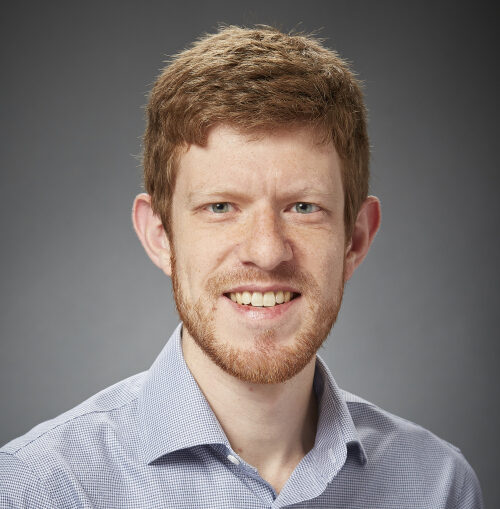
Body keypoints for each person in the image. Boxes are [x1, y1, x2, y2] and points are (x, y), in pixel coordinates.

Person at [0, 25, 483, 508]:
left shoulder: (439, 486)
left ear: (355, 239)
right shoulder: (38, 489)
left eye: (303, 207)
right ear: (160, 235)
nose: (267, 252)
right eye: (220, 207)